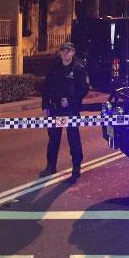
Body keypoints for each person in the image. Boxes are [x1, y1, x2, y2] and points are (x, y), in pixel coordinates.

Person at [39, 41, 90, 183]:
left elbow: (84, 89)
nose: (66, 52)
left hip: (71, 111)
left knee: (73, 139)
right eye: (63, 50)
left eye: (69, 50)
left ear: (73, 52)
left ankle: (76, 168)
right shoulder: (54, 68)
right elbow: (46, 87)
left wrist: (71, 100)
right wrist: (45, 106)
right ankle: (50, 166)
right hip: (56, 110)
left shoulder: (79, 68)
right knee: (53, 139)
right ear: (60, 52)